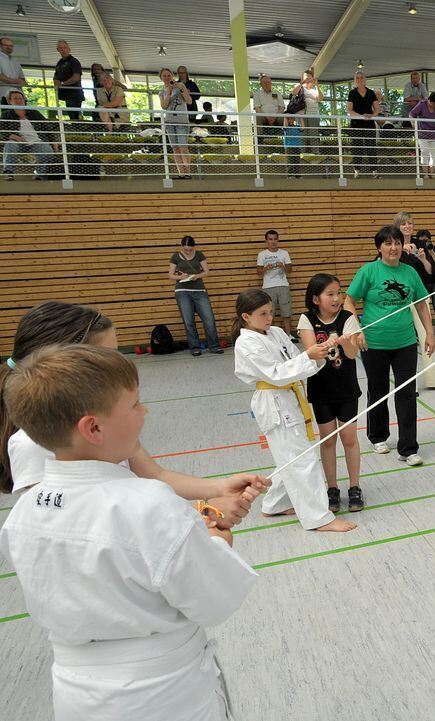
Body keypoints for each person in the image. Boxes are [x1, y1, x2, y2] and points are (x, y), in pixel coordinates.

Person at [0, 344, 259, 721]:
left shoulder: (23, 514)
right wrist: (217, 540)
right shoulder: (147, 504)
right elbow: (214, 600)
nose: (145, 412)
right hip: (163, 694)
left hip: (76, 692)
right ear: (94, 427)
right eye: (135, 405)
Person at [0, 301, 268, 528]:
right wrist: (199, 515)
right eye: (107, 356)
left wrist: (219, 488)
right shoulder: (33, 445)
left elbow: (155, 475)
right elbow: (66, 529)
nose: (117, 365)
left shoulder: (110, 423)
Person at [232, 289, 356, 532]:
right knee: (302, 460)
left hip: (290, 397)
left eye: (271, 312)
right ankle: (318, 518)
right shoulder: (246, 342)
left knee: (292, 456)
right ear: (246, 316)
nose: (269, 318)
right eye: (263, 314)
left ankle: (275, 503)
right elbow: (276, 374)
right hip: (274, 401)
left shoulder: (276, 332)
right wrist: (309, 356)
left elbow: (296, 361)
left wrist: (322, 352)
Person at [345, 225, 435, 466]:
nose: (393, 247)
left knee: (407, 394)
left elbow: (420, 304)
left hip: (405, 342)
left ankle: (409, 448)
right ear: (379, 248)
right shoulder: (368, 271)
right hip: (373, 343)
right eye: (387, 243)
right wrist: (358, 329)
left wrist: (430, 333)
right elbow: (349, 301)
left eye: (396, 243)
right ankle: (378, 436)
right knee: (378, 390)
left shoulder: (409, 272)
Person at [297, 274, 365, 512]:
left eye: (339, 293)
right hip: (321, 390)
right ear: (316, 299)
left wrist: (345, 342)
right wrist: (329, 343)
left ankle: (354, 487)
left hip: (346, 389)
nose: (337, 298)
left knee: (349, 438)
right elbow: (311, 354)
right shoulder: (306, 320)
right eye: (330, 294)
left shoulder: (347, 318)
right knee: (328, 441)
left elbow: (351, 353)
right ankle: (332, 488)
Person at [396, 212, 435, 389]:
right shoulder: (393, 243)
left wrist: (423, 259)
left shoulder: (420, 244)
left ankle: (433, 381)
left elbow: (430, 271)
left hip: (419, 294)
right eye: (403, 224)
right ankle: (409, 385)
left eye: (410, 223)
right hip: (399, 297)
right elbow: (384, 261)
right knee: (406, 341)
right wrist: (401, 249)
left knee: (426, 335)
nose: (407, 226)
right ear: (398, 226)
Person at [168, 235, 224, 356]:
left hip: (199, 290)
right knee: (188, 321)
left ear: (194, 247)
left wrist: (196, 276)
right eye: (185, 249)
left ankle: (214, 345)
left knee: (209, 319)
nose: (188, 251)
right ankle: (194, 347)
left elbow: (206, 271)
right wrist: (180, 277)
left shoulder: (199, 255)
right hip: (182, 291)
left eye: (190, 249)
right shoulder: (175, 256)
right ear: (181, 247)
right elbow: (171, 275)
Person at [1, 89, 58, 180]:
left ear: (24, 100)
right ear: (9, 101)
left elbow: (47, 127)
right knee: (10, 145)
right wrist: (13, 136)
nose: (19, 100)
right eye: (15, 98)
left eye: (21, 98)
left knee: (47, 150)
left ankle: (39, 175)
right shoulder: (6, 114)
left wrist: (53, 141)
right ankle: (9, 172)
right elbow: (2, 130)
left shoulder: (34, 112)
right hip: (17, 143)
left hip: (36, 142)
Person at [256, 229, 294, 339]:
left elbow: (290, 269)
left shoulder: (284, 253)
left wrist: (282, 266)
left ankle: (288, 335)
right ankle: (270, 336)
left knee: (286, 311)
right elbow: (258, 272)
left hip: (283, 285)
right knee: (269, 313)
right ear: (266, 241)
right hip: (268, 287)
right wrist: (265, 268)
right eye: (270, 239)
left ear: (278, 240)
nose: (273, 241)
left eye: (275, 239)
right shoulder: (262, 254)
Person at [414, 229, 435, 342]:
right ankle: (421, 334)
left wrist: (432, 252)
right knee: (421, 309)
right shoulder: (416, 250)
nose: (424, 243)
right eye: (421, 241)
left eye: (427, 241)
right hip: (422, 283)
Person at [158, 67, 192, 179]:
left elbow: (189, 101)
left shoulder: (181, 86)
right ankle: (181, 173)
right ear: (161, 78)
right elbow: (164, 106)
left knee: (183, 147)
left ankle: (188, 173)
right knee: (175, 148)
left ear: (172, 76)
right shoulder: (162, 92)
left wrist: (181, 88)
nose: (167, 78)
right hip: (169, 122)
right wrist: (168, 93)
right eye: (164, 76)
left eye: (169, 75)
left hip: (182, 121)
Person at [347, 71, 379, 178]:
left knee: (371, 146)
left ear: (365, 79)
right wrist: (362, 116)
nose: (359, 80)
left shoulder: (371, 93)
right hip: (356, 123)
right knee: (357, 146)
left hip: (369, 123)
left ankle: (374, 171)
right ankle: (357, 171)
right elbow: (349, 110)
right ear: (355, 80)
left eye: (361, 78)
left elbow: (377, 109)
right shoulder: (352, 93)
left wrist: (371, 116)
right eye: (357, 78)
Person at [409, 90, 435, 177]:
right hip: (422, 133)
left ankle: (432, 173)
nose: (432, 105)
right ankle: (426, 174)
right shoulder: (422, 104)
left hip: (434, 134)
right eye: (431, 102)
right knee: (424, 152)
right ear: (429, 99)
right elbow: (412, 114)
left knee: (434, 154)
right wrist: (413, 123)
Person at [292, 69, 324, 153]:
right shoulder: (299, 87)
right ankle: (301, 155)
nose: (308, 79)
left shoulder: (315, 90)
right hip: (302, 115)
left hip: (314, 115)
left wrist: (317, 85)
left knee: (314, 135)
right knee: (302, 136)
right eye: (306, 77)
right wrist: (302, 83)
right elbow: (294, 93)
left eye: (310, 77)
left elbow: (320, 98)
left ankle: (316, 154)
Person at [53, 40, 84, 120]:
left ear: (69, 49)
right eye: (61, 48)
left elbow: (76, 77)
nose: (63, 50)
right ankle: (75, 129)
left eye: (65, 47)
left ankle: (78, 131)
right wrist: (56, 82)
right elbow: (56, 77)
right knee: (71, 115)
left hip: (74, 94)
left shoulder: (74, 61)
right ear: (58, 50)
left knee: (75, 116)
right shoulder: (59, 63)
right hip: (66, 94)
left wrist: (63, 84)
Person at [253, 74, 285, 148]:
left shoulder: (277, 93)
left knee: (285, 117)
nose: (266, 84)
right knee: (257, 116)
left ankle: (288, 140)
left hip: (277, 117)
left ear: (271, 83)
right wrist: (268, 117)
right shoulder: (257, 94)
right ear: (261, 84)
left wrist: (275, 117)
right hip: (264, 118)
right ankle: (259, 142)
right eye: (264, 82)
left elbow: (282, 107)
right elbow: (257, 108)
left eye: (268, 82)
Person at [0, 36, 26, 104]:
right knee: (8, 114)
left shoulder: (16, 61)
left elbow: (22, 79)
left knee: (23, 114)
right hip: (5, 95)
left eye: (11, 46)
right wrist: (16, 81)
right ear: (0, 46)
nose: (9, 47)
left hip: (20, 95)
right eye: (6, 45)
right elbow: (0, 76)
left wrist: (22, 82)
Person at [283, 111, 303, 177]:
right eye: (288, 119)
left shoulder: (298, 127)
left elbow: (303, 127)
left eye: (291, 118)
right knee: (290, 162)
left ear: (294, 119)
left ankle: (298, 176)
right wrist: (285, 117)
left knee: (297, 162)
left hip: (297, 147)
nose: (289, 120)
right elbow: (285, 125)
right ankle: (290, 176)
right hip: (289, 147)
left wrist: (301, 118)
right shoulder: (286, 128)